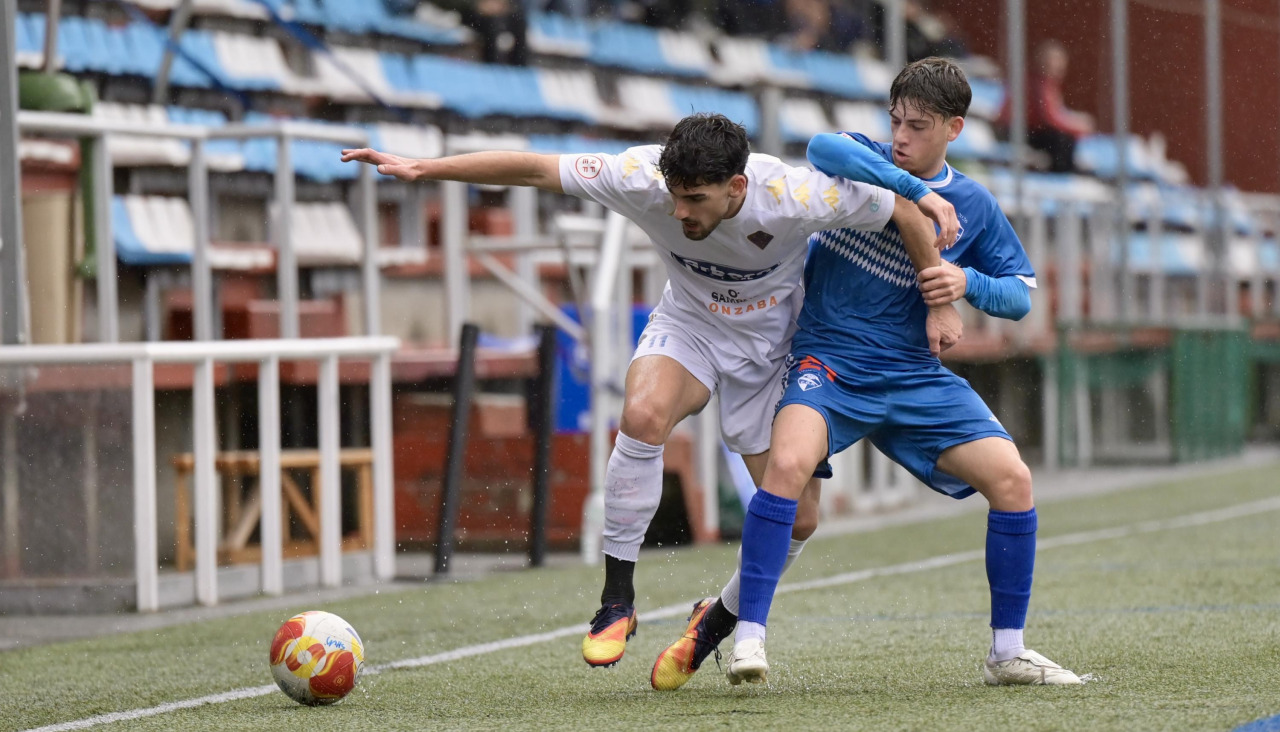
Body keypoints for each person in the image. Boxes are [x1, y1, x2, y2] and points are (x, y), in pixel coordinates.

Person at [341, 112, 962, 670]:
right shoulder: (640, 177)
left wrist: (935, 300)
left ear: (737, 188)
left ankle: (713, 621)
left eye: (695, 200)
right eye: (675, 197)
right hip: (689, 326)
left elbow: (903, 210)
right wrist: (425, 168)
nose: (681, 212)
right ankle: (617, 601)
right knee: (640, 416)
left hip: (774, 351)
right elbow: (534, 165)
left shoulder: (793, 194)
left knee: (799, 516)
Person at [650, 58, 1084, 691]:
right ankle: (749, 636)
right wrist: (914, 193)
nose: (901, 136)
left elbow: (1020, 295)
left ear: (954, 129)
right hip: (828, 363)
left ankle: (1007, 653)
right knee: (788, 470)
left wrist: (966, 283)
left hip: (913, 377)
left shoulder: (976, 204)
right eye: (896, 121)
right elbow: (821, 145)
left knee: (1014, 480)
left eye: (918, 126)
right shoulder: (863, 159)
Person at [999, 39, 1094, 173]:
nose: (1058, 67)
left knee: (1063, 140)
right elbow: (1049, 117)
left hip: (1024, 129)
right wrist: (1078, 127)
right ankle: (1060, 176)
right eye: (1054, 62)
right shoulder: (1037, 83)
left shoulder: (1041, 83)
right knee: (1062, 140)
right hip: (1016, 132)